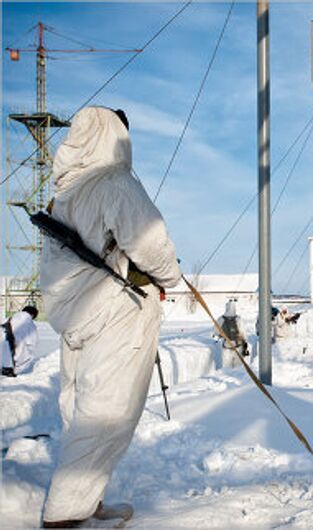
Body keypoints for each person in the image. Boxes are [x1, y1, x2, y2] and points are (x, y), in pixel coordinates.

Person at [39, 106, 182, 527]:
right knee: (107, 413)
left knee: (80, 409)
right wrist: (170, 277)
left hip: (74, 318)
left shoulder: (63, 192)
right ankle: (65, 515)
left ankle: (87, 500)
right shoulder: (114, 184)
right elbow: (151, 243)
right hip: (114, 314)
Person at [1, 305, 39, 377]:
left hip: (5, 341)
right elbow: (33, 339)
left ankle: (5, 368)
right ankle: (9, 370)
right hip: (17, 344)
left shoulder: (13, 317)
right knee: (18, 354)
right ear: (32, 314)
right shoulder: (28, 321)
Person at [215, 299, 249, 367]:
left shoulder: (220, 319)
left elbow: (216, 332)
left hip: (226, 346)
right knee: (238, 368)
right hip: (238, 347)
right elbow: (244, 333)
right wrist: (245, 343)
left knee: (227, 367)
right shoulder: (239, 319)